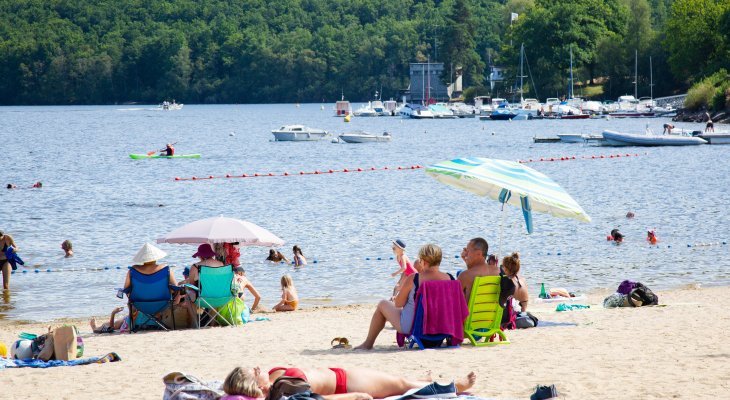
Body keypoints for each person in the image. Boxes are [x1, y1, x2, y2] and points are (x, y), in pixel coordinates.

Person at [355, 244, 454, 350]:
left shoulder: (414, 278)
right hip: (442, 327)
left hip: (416, 327)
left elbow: (398, 304)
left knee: (382, 304)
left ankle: (368, 344)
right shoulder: (450, 279)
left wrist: (402, 297)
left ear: (423, 261)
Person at [221, 366, 476, 400]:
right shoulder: (283, 390)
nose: (258, 368)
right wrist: (356, 397)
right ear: (258, 386)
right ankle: (454, 387)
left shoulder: (275, 383)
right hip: (345, 383)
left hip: (336, 375)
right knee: (400, 385)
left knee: (400, 381)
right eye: (255, 371)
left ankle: (420, 379)